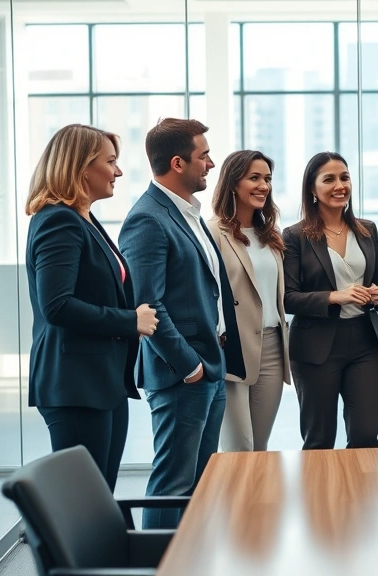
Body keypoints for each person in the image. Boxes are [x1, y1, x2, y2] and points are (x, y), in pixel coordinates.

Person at [118, 118, 245, 529]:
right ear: (177, 163)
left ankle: (192, 561)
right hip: (182, 374)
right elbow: (147, 306)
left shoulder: (189, 213)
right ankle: (157, 563)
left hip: (210, 364)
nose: (211, 163)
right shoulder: (147, 219)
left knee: (200, 483)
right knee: (173, 483)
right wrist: (188, 365)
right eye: (203, 155)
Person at [25, 124, 157, 492]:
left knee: (98, 493)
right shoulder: (58, 221)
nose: (118, 171)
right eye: (111, 162)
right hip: (75, 384)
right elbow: (58, 306)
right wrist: (130, 321)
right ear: (81, 167)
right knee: (83, 498)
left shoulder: (84, 219)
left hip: (103, 381)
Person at [282, 152, 378, 450]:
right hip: (315, 347)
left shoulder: (367, 230)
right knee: (319, 439)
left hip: (364, 342)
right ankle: (321, 498)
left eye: (344, 177)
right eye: (329, 179)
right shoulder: (295, 236)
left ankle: (362, 497)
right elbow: (288, 299)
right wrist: (335, 296)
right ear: (312, 189)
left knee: (366, 436)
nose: (339, 185)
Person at [208, 150, 291, 452]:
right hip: (232, 347)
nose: (263, 186)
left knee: (260, 448)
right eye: (254, 178)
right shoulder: (213, 232)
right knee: (239, 449)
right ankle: (236, 501)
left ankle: (259, 501)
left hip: (272, 348)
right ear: (233, 183)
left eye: (267, 179)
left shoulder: (270, 235)